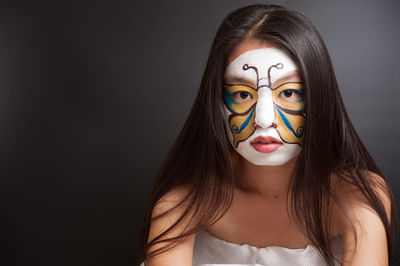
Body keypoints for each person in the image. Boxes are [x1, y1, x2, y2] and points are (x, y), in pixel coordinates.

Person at [137, 4, 398, 266]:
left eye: (288, 93)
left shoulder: (357, 195)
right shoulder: (181, 204)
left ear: (319, 95)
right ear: (216, 101)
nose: (264, 119)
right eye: (242, 94)